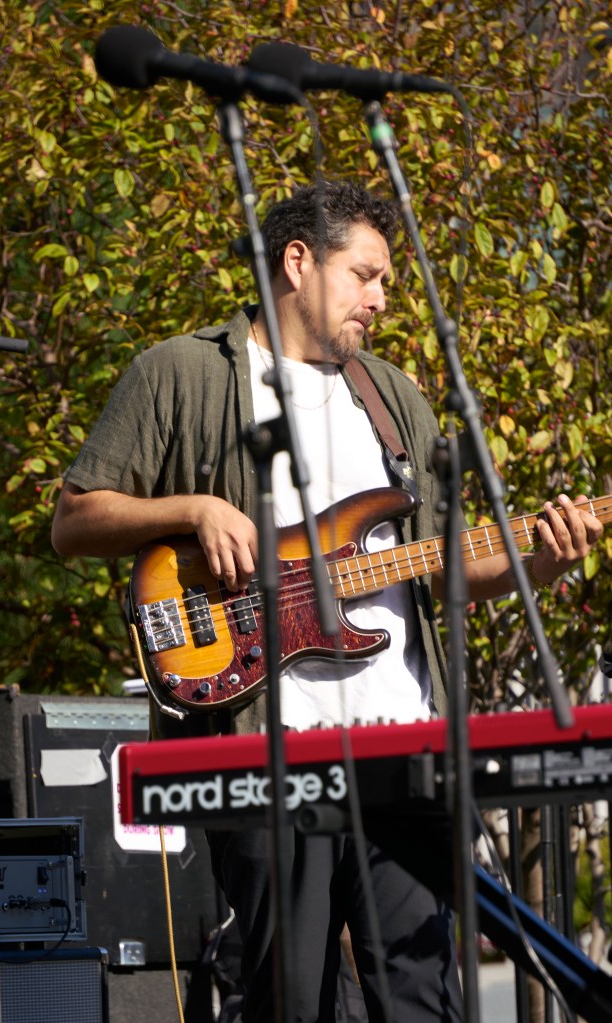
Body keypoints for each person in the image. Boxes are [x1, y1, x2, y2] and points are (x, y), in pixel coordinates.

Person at [51, 180, 603, 1022]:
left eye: (386, 283)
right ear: (298, 261)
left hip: (405, 754)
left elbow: (445, 566)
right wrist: (192, 509)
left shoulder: (391, 396)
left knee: (423, 998)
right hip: (267, 759)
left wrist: (541, 560)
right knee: (288, 1000)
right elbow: (73, 521)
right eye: (365, 276)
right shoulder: (182, 372)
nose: (381, 300)